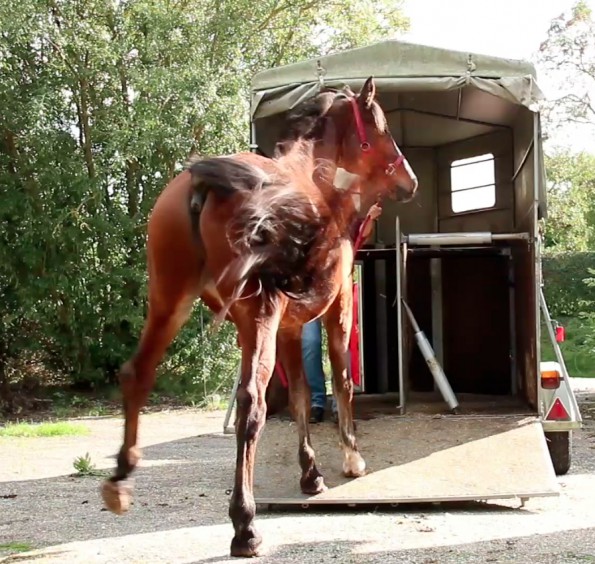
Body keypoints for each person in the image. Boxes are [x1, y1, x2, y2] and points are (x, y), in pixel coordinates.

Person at [303, 202, 383, 423]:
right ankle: (317, 401)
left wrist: (371, 218)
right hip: (310, 291)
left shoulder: (342, 213)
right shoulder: (305, 216)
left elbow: (361, 232)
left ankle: (340, 401)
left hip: (337, 292)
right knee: (309, 343)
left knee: (340, 346)